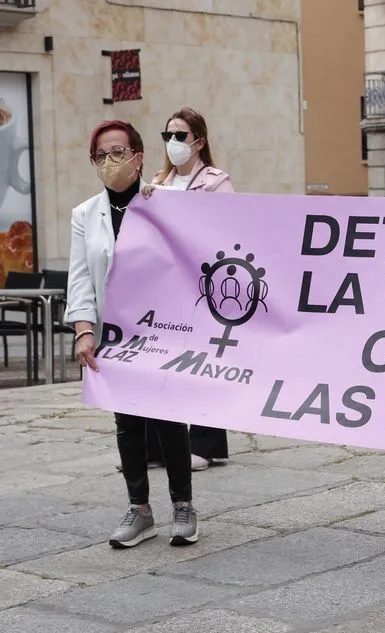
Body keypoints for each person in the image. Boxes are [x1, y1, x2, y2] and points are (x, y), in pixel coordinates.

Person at [65, 120, 199, 548]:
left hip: (164, 330)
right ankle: (140, 509)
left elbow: (196, 253)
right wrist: (84, 330)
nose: (110, 162)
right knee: (127, 421)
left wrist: (164, 206)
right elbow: (81, 278)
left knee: (168, 416)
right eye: (100, 155)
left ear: (138, 157)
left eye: (118, 152)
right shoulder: (85, 214)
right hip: (116, 334)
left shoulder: (168, 201)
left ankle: (183, 505)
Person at [141, 107, 234, 472]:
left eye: (180, 135)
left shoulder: (215, 181)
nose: (173, 143)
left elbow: (228, 227)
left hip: (200, 284)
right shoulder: (156, 181)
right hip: (162, 285)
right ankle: (154, 445)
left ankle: (205, 445)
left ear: (198, 141)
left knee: (202, 362)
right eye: (168, 136)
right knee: (157, 359)